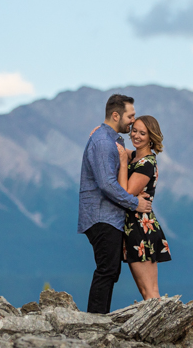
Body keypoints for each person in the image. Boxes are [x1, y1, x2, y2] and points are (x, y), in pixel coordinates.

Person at [78, 94, 152, 314]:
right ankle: (94, 322)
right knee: (107, 270)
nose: (132, 121)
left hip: (107, 217)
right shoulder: (102, 142)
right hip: (102, 216)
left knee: (110, 270)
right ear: (116, 115)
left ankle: (97, 320)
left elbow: (132, 156)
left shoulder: (109, 139)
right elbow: (107, 185)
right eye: (130, 116)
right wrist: (134, 203)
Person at [117, 115, 171, 300]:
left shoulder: (146, 163)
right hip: (137, 226)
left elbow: (125, 192)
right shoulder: (137, 157)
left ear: (151, 137)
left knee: (150, 292)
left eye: (143, 133)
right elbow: (121, 150)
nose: (136, 136)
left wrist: (123, 163)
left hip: (141, 229)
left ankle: (163, 327)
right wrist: (99, 133)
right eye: (134, 130)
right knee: (147, 291)